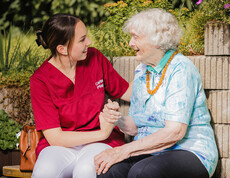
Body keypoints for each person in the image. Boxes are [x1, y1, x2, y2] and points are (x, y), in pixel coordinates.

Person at [95, 8, 218, 178]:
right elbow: (134, 126)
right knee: (108, 171)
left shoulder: (180, 69)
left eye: (136, 37)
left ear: (158, 41)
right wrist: (115, 119)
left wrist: (122, 151)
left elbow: (175, 132)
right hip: (151, 152)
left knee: (143, 172)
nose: (130, 43)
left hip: (190, 150)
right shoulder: (142, 71)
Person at [30, 13, 132, 178]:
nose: (89, 42)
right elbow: (56, 138)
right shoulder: (40, 80)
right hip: (62, 146)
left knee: (85, 170)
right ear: (62, 49)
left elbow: (127, 92)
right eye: (82, 39)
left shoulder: (95, 58)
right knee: (44, 171)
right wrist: (102, 132)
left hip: (101, 144)